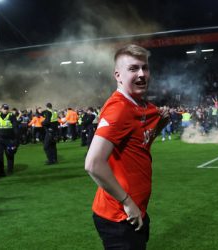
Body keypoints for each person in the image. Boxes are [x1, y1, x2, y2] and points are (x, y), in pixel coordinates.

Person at [85, 44, 169, 249]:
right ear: (118, 75)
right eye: (133, 68)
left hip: (135, 210)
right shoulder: (119, 109)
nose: (142, 74)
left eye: (145, 67)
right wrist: (127, 202)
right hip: (119, 216)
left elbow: (138, 146)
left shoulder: (141, 106)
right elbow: (93, 164)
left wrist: (158, 128)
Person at [0, 104, 19, 176]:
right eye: (4, 108)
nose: (6, 110)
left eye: (7, 108)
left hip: (9, 139)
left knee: (10, 154)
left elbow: (16, 129)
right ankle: (0, 171)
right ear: (1, 109)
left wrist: (16, 140)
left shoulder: (11, 116)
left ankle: (10, 169)